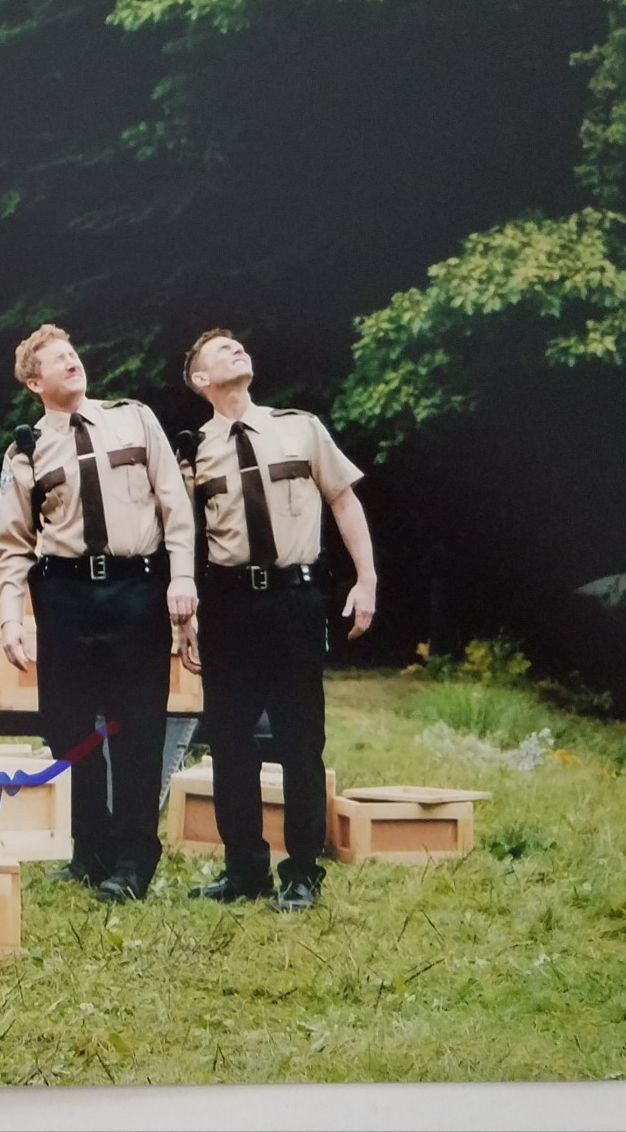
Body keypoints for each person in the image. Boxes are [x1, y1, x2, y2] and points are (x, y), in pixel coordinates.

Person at [0, 324, 198, 903]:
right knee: (70, 730)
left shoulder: (135, 418)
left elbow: (174, 504)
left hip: (136, 588)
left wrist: (182, 577)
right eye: (57, 361)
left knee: (136, 725)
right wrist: (11, 618)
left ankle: (135, 856)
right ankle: (91, 851)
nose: (72, 363)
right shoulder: (25, 449)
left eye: (73, 354)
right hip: (65, 597)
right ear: (35, 381)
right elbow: (12, 544)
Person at [178, 328, 376, 912]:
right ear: (200, 380)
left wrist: (366, 579)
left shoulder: (300, 427)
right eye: (220, 350)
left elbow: (343, 499)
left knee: (299, 738)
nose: (236, 348)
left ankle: (302, 872)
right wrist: (183, 619)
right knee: (231, 740)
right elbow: (186, 539)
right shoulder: (192, 451)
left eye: (238, 344)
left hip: (293, 599)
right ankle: (243, 870)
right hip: (227, 604)